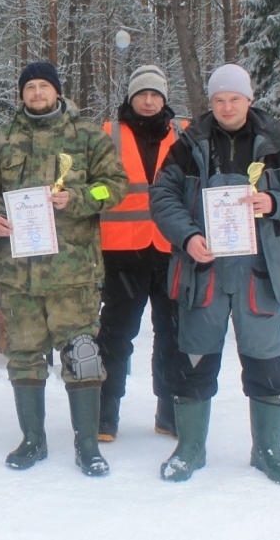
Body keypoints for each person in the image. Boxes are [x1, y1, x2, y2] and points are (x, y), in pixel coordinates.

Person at [149, 63, 280, 484]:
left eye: (235, 99)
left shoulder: (279, 142)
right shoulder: (188, 144)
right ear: (211, 102)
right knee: (193, 361)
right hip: (203, 270)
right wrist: (188, 236)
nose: (227, 107)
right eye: (219, 100)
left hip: (259, 272)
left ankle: (268, 449)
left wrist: (275, 202)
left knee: (266, 363)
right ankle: (190, 448)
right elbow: (163, 196)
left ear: (249, 99)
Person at [0, 62, 127, 476]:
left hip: (72, 273)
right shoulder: (0, 140)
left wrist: (79, 197)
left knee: (83, 356)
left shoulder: (87, 136)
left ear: (58, 91)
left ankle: (87, 445)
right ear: (21, 94)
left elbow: (115, 185)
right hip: (18, 271)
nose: (37, 93)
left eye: (44, 86)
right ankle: (33, 440)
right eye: (30, 87)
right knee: (24, 356)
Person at [96, 66, 186, 442]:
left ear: (164, 99)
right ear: (130, 97)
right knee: (114, 337)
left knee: (173, 336)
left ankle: (170, 414)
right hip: (122, 253)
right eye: (141, 94)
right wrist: (103, 196)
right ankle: (104, 416)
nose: (148, 101)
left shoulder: (185, 133)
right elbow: (90, 186)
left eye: (155, 95)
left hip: (171, 251)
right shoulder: (107, 134)